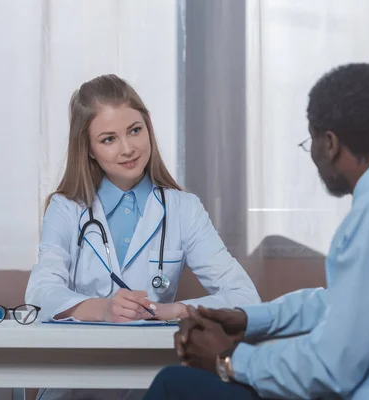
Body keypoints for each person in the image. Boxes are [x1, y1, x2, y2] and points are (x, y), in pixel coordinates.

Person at [142, 63, 369, 399]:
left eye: (312, 142)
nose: (314, 154)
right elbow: (345, 302)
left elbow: (330, 370)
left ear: (330, 143)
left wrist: (228, 358)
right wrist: (249, 319)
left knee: (174, 385)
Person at [25, 74, 260, 400]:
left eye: (135, 130)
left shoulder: (183, 209)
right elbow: (40, 293)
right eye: (108, 139)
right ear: (89, 149)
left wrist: (176, 310)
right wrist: (102, 309)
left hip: (148, 382)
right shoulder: (67, 208)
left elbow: (245, 296)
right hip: (76, 383)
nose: (128, 148)